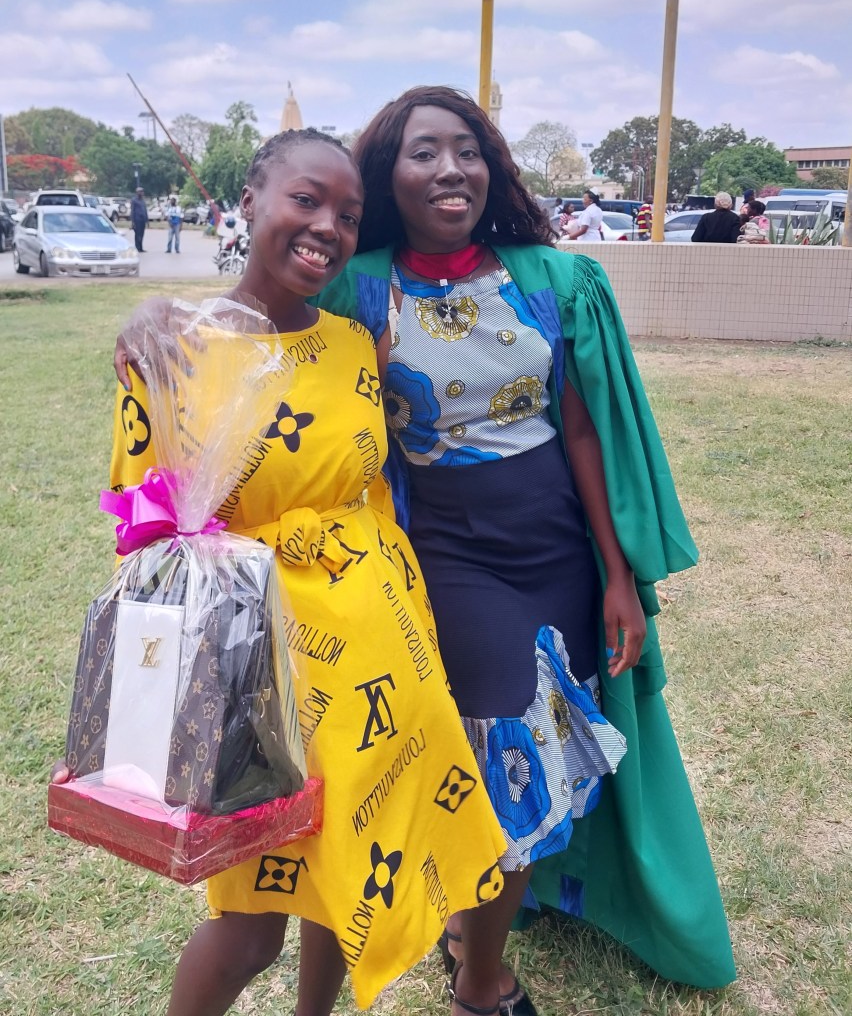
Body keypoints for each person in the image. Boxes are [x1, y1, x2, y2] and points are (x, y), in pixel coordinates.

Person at [114, 87, 736, 1015]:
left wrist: (616, 571)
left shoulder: (529, 287)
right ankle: (479, 971)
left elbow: (574, 429)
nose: (451, 169)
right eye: (423, 152)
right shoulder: (345, 295)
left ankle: (473, 942)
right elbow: (247, 333)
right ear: (388, 177)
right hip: (385, 583)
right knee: (477, 759)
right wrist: (160, 315)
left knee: (454, 795)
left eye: (468, 149)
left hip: (490, 578)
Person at [62, 128, 508, 1016]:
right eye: (306, 200)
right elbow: (143, 526)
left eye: (348, 214)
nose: (327, 227)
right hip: (254, 656)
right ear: (250, 203)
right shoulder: (171, 346)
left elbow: (374, 490)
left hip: (374, 647)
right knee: (250, 926)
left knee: (343, 880)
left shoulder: (356, 342)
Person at [130, 187, 148, 252]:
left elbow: (145, 210)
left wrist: (147, 220)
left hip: (143, 220)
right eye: (141, 192)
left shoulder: (143, 201)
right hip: (137, 220)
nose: (142, 193)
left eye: (142, 191)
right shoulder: (134, 200)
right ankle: (137, 247)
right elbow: (132, 211)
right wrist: (132, 222)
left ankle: (140, 247)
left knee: (142, 234)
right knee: (137, 234)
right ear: (138, 192)